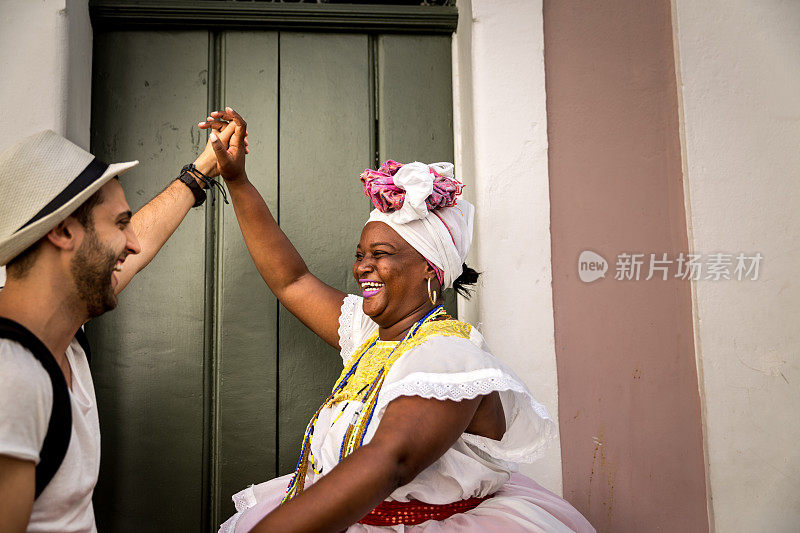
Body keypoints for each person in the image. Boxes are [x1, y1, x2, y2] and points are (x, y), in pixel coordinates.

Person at [204, 109, 595, 532]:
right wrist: (237, 181)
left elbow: (392, 460)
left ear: (430, 268)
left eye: (381, 255)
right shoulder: (371, 334)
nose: (362, 268)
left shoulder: (450, 355)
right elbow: (292, 281)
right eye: (360, 255)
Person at [0, 120, 246, 532]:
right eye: (119, 224)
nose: (131, 242)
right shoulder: (13, 378)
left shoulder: (61, 337)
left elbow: (141, 243)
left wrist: (203, 169)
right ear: (62, 231)